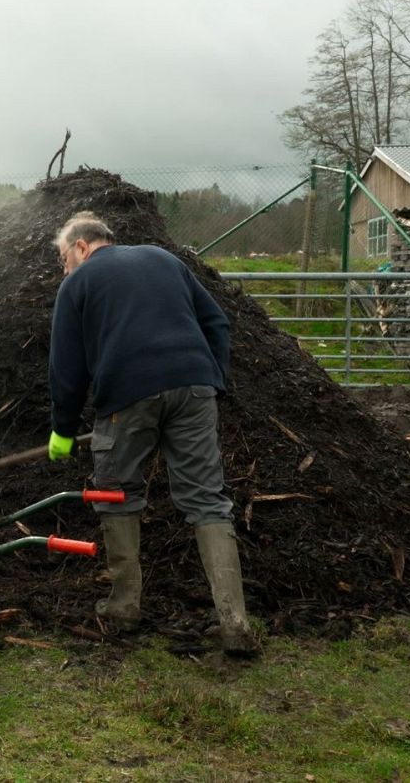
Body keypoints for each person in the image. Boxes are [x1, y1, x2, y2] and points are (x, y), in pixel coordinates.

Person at [47, 211, 260, 656]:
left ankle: (124, 608)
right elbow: (217, 322)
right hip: (195, 386)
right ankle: (235, 622)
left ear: (82, 247)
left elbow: (66, 367)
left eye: (64, 258)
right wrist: (212, 378)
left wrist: (63, 429)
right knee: (207, 499)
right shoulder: (164, 260)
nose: (64, 269)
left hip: (127, 396)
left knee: (116, 492)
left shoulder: (78, 283)